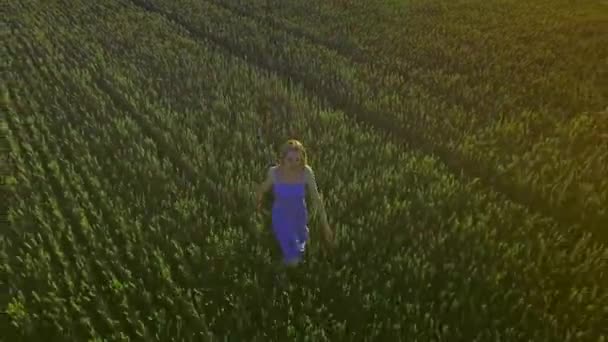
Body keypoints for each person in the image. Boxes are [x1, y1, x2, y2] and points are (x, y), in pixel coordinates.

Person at [255, 139, 334, 267]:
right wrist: (257, 207)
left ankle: (297, 243)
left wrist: (325, 226)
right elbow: (263, 189)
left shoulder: (306, 172)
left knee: (303, 244)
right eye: (290, 160)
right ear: (282, 159)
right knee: (294, 259)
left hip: (299, 214)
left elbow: (316, 199)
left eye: (298, 160)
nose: (294, 164)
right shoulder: (274, 173)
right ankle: (279, 270)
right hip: (281, 216)